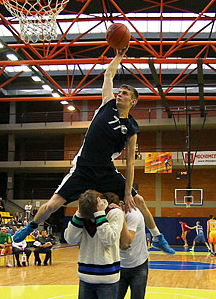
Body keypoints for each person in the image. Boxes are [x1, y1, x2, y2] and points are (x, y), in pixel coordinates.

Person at [12, 50, 174, 255]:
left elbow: (131, 163)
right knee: (53, 205)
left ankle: (157, 237)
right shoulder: (107, 104)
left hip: (106, 170)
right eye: (119, 92)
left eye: (124, 94)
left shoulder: (132, 128)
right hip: (83, 168)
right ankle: (31, 226)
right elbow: (108, 75)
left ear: (133, 102)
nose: (119, 95)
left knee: (138, 201)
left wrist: (126, 193)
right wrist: (119, 56)